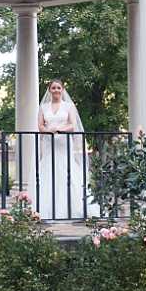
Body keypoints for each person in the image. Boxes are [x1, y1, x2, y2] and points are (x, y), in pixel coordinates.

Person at [34, 79, 90, 218]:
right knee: (48, 168)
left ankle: (73, 207)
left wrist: (60, 129)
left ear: (63, 90)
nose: (56, 90)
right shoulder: (43, 107)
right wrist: (48, 131)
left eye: (59, 88)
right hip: (49, 142)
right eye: (53, 88)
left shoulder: (69, 106)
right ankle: (45, 208)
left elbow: (72, 124)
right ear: (49, 90)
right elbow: (40, 124)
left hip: (64, 142)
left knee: (66, 167)